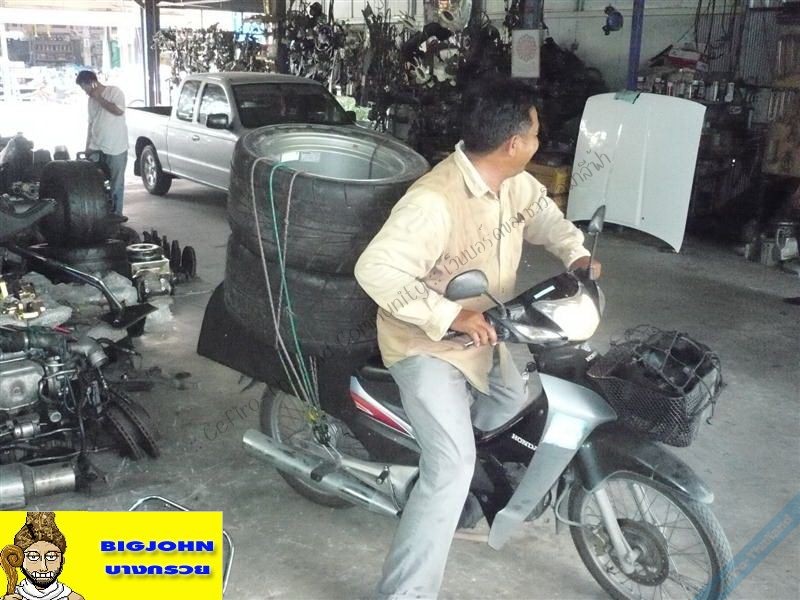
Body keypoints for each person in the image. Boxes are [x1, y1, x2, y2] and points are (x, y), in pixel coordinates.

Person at [354, 76, 601, 600]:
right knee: (451, 465)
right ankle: (405, 592)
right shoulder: (434, 200)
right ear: (513, 144)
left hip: (490, 327)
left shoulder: (514, 183)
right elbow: (376, 269)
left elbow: (545, 218)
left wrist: (575, 252)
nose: (539, 142)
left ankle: (466, 496)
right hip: (426, 344)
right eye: (535, 134)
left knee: (519, 403)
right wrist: (449, 314)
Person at [76, 70, 128, 216]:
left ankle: (116, 214)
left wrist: (99, 98)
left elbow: (118, 111)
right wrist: (87, 146)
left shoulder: (114, 92)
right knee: (93, 181)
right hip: (96, 147)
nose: (85, 92)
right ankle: (97, 213)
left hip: (116, 147)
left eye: (85, 87)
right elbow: (90, 123)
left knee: (117, 183)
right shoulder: (90, 101)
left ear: (93, 83)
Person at [1, 511, 84, 600]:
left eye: (51, 557)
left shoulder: (73, 598)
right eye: (33, 557)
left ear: (62, 560)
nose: (43, 568)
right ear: (20, 559)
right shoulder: (12, 596)